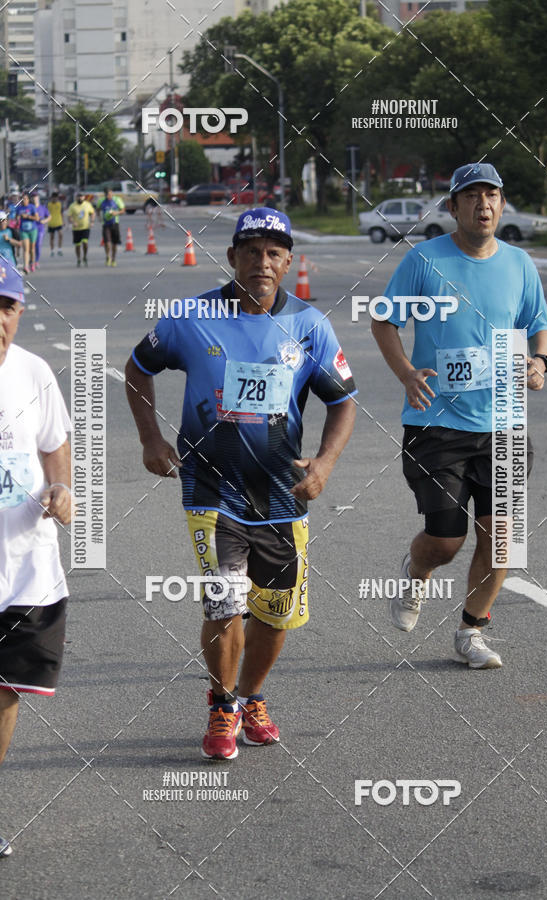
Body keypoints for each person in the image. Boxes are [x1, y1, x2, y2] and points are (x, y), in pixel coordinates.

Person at [125, 208, 356, 760]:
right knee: (225, 604)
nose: (262, 261)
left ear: (288, 262)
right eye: (250, 250)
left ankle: (253, 695)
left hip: (282, 496)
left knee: (276, 614)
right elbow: (137, 370)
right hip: (211, 491)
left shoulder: (308, 326)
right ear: (231, 258)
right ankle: (223, 701)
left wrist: (323, 464)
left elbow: (343, 400)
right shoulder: (189, 318)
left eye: (274, 252)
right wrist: (151, 441)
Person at [371, 163, 547, 669]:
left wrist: (539, 362)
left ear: (501, 202)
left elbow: (540, 324)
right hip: (436, 425)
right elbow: (384, 322)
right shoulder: (425, 260)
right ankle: (416, 570)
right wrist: (408, 373)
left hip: (506, 424)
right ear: (453, 207)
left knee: (503, 541)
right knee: (446, 541)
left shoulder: (519, 263)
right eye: (471, 196)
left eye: (491, 194)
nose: (483, 205)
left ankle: (471, 631)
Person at [0, 263, 72, 857]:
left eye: (6, 306)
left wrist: (61, 489)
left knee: (4, 693)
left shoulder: (34, 372)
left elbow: (55, 447)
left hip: (26, 570)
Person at [97, 187, 125, 267]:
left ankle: (113, 259)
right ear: (105, 194)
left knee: (114, 243)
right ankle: (107, 256)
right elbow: (98, 209)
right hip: (106, 224)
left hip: (115, 223)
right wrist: (99, 217)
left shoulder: (117, 200)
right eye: (107, 194)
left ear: (112, 193)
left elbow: (123, 210)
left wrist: (117, 213)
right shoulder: (101, 201)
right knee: (107, 243)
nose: (109, 196)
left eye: (110, 194)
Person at [66, 191, 95, 267]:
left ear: (84, 197)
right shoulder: (72, 206)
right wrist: (73, 222)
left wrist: (92, 221)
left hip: (85, 227)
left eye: (81, 196)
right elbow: (69, 216)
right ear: (76, 197)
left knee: (85, 242)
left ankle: (85, 256)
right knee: (78, 245)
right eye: (78, 196)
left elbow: (92, 213)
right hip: (76, 229)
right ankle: (79, 258)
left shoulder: (87, 205)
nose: (80, 198)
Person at [16, 193, 38, 275]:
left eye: (25, 199)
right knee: (26, 249)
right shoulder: (19, 208)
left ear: (28, 200)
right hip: (23, 230)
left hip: (32, 230)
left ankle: (32, 263)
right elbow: (16, 218)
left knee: (32, 249)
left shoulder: (32, 207)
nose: (23, 200)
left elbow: (37, 218)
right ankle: (26, 266)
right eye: (22, 199)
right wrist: (18, 219)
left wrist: (27, 217)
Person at [31, 192, 50, 269]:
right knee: (32, 246)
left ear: (38, 198)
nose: (35, 198)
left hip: (40, 229)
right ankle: (31, 261)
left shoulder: (43, 208)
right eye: (33, 197)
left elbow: (49, 216)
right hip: (31, 229)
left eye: (36, 197)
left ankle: (36, 261)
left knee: (38, 245)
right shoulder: (30, 207)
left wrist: (44, 221)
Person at [47, 192, 64, 256]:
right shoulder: (49, 204)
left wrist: (63, 221)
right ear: (51, 198)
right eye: (53, 198)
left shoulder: (59, 204)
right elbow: (46, 214)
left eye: (56, 198)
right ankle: (52, 250)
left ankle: (59, 249)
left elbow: (61, 213)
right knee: (52, 237)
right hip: (51, 223)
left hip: (58, 222)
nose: (55, 199)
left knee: (60, 235)